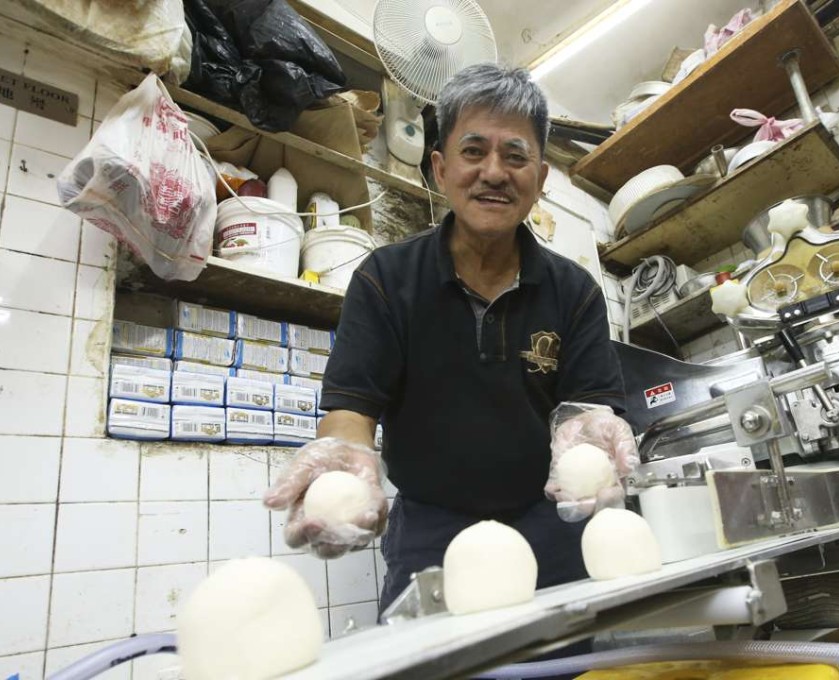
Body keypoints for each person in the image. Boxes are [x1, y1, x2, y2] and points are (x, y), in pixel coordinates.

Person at [264, 64, 637, 618]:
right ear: (440, 168)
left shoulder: (573, 290)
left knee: (567, 663)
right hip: (430, 527)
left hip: (550, 519)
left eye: (515, 156)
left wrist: (591, 434)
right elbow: (351, 409)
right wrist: (345, 458)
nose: (494, 173)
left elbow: (587, 406)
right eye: (473, 151)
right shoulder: (385, 279)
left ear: (540, 177)